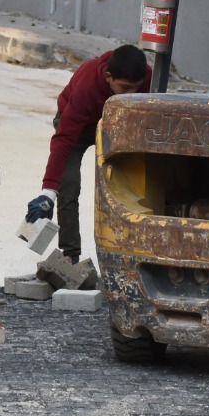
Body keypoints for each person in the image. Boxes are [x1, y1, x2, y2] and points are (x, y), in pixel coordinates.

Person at [26, 44, 152, 263]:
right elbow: (64, 139)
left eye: (136, 89)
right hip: (77, 127)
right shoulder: (87, 86)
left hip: (116, 126)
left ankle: (132, 254)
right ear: (108, 77)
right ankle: (70, 256)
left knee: (129, 184)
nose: (131, 95)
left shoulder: (149, 78)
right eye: (125, 88)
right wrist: (49, 191)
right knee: (69, 185)